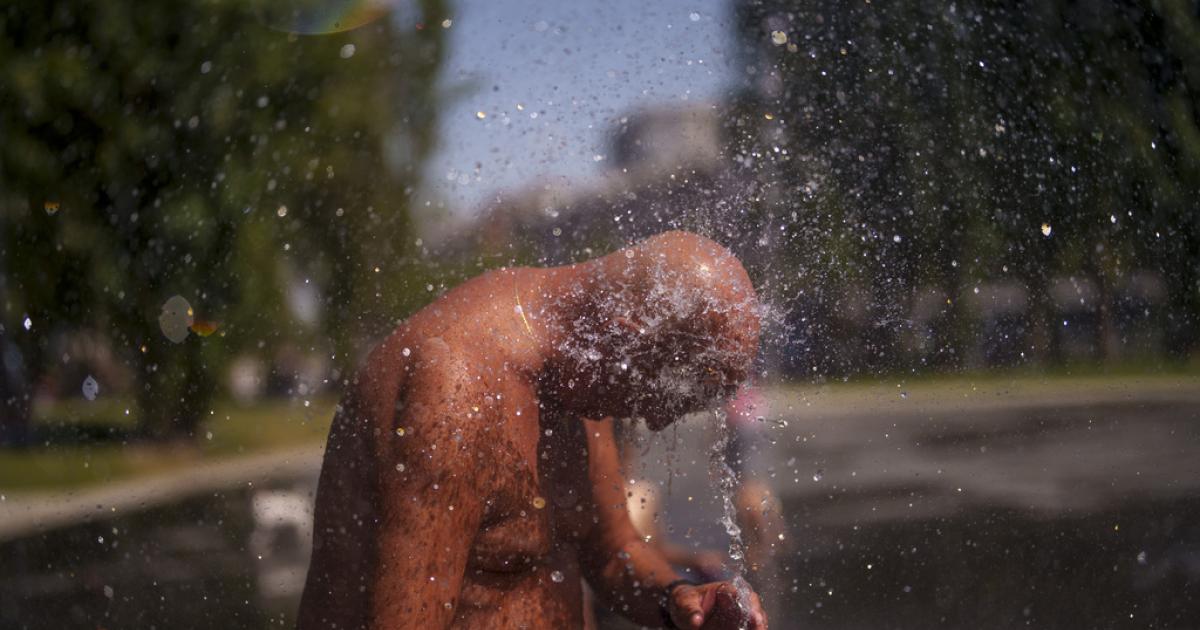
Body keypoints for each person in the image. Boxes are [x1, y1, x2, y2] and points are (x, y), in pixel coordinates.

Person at [297, 231, 767, 629]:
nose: (658, 419)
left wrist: (678, 598)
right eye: (668, 395)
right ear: (628, 336)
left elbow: (611, 549)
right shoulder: (455, 392)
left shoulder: (578, 373)